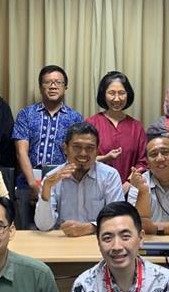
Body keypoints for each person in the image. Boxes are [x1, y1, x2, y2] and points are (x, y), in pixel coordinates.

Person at [34, 122, 123, 236]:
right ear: (65, 148)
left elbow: (118, 218)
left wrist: (91, 227)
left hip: (98, 239)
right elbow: (43, 226)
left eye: (90, 148)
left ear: (97, 151)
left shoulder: (110, 176)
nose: (83, 153)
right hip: (62, 240)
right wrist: (47, 187)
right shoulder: (51, 178)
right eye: (77, 147)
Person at [12, 65, 84, 200]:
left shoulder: (75, 118)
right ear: (40, 87)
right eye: (48, 82)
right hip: (27, 183)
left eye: (58, 82)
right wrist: (33, 183)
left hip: (61, 183)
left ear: (65, 87)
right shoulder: (26, 114)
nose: (53, 86)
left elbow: (76, 154)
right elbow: (21, 151)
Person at [86, 71, 147, 192]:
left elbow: (143, 162)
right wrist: (105, 157)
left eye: (122, 93)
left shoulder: (136, 127)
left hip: (129, 190)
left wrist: (128, 183)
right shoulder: (91, 123)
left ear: (128, 95)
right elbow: (83, 158)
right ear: (103, 94)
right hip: (95, 189)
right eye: (111, 93)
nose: (117, 98)